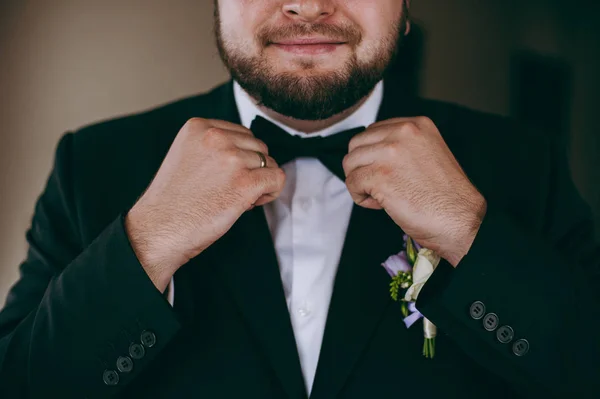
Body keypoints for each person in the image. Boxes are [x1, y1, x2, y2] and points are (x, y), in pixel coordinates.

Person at [0, 0, 598, 398]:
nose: (310, 5)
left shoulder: (524, 164)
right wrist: (149, 240)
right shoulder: (93, 164)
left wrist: (470, 233)